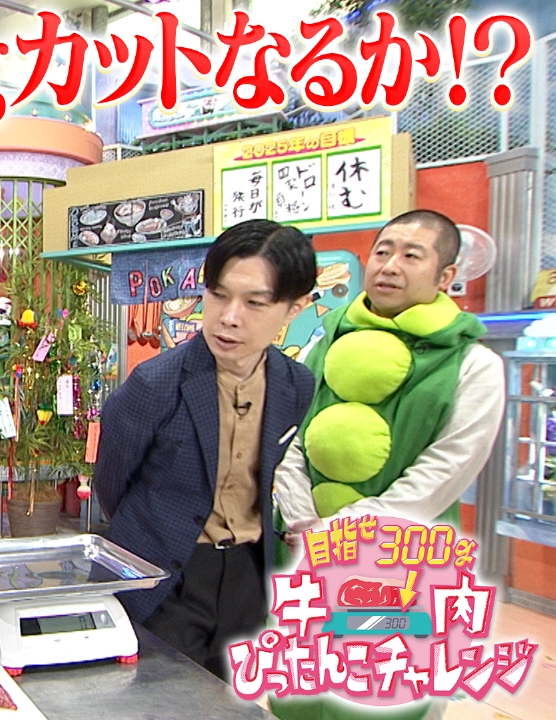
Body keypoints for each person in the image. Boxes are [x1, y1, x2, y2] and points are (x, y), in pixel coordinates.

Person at [269, 211, 506, 720]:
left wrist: (342, 532)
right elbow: (292, 438)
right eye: (382, 251)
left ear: (445, 275)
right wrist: (302, 518)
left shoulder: (475, 366)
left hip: (402, 559)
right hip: (305, 551)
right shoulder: (325, 344)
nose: (390, 266)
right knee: (300, 691)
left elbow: (445, 470)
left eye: (411, 255)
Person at [94, 219, 318, 679]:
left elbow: (270, 471)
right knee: (159, 697)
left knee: (235, 695)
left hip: (248, 573)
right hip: (164, 576)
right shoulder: (155, 384)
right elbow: (112, 484)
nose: (229, 317)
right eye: (218, 295)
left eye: (255, 303)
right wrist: (158, 529)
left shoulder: (295, 384)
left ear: (294, 307)